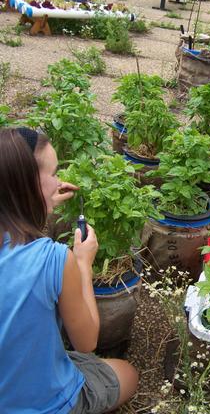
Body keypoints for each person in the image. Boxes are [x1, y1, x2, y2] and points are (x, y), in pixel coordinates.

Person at [0, 127, 138, 413]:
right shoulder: (53, 259)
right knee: (127, 374)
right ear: (26, 186)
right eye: (53, 174)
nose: (59, 181)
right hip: (44, 402)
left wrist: (42, 203)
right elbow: (87, 342)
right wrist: (82, 263)